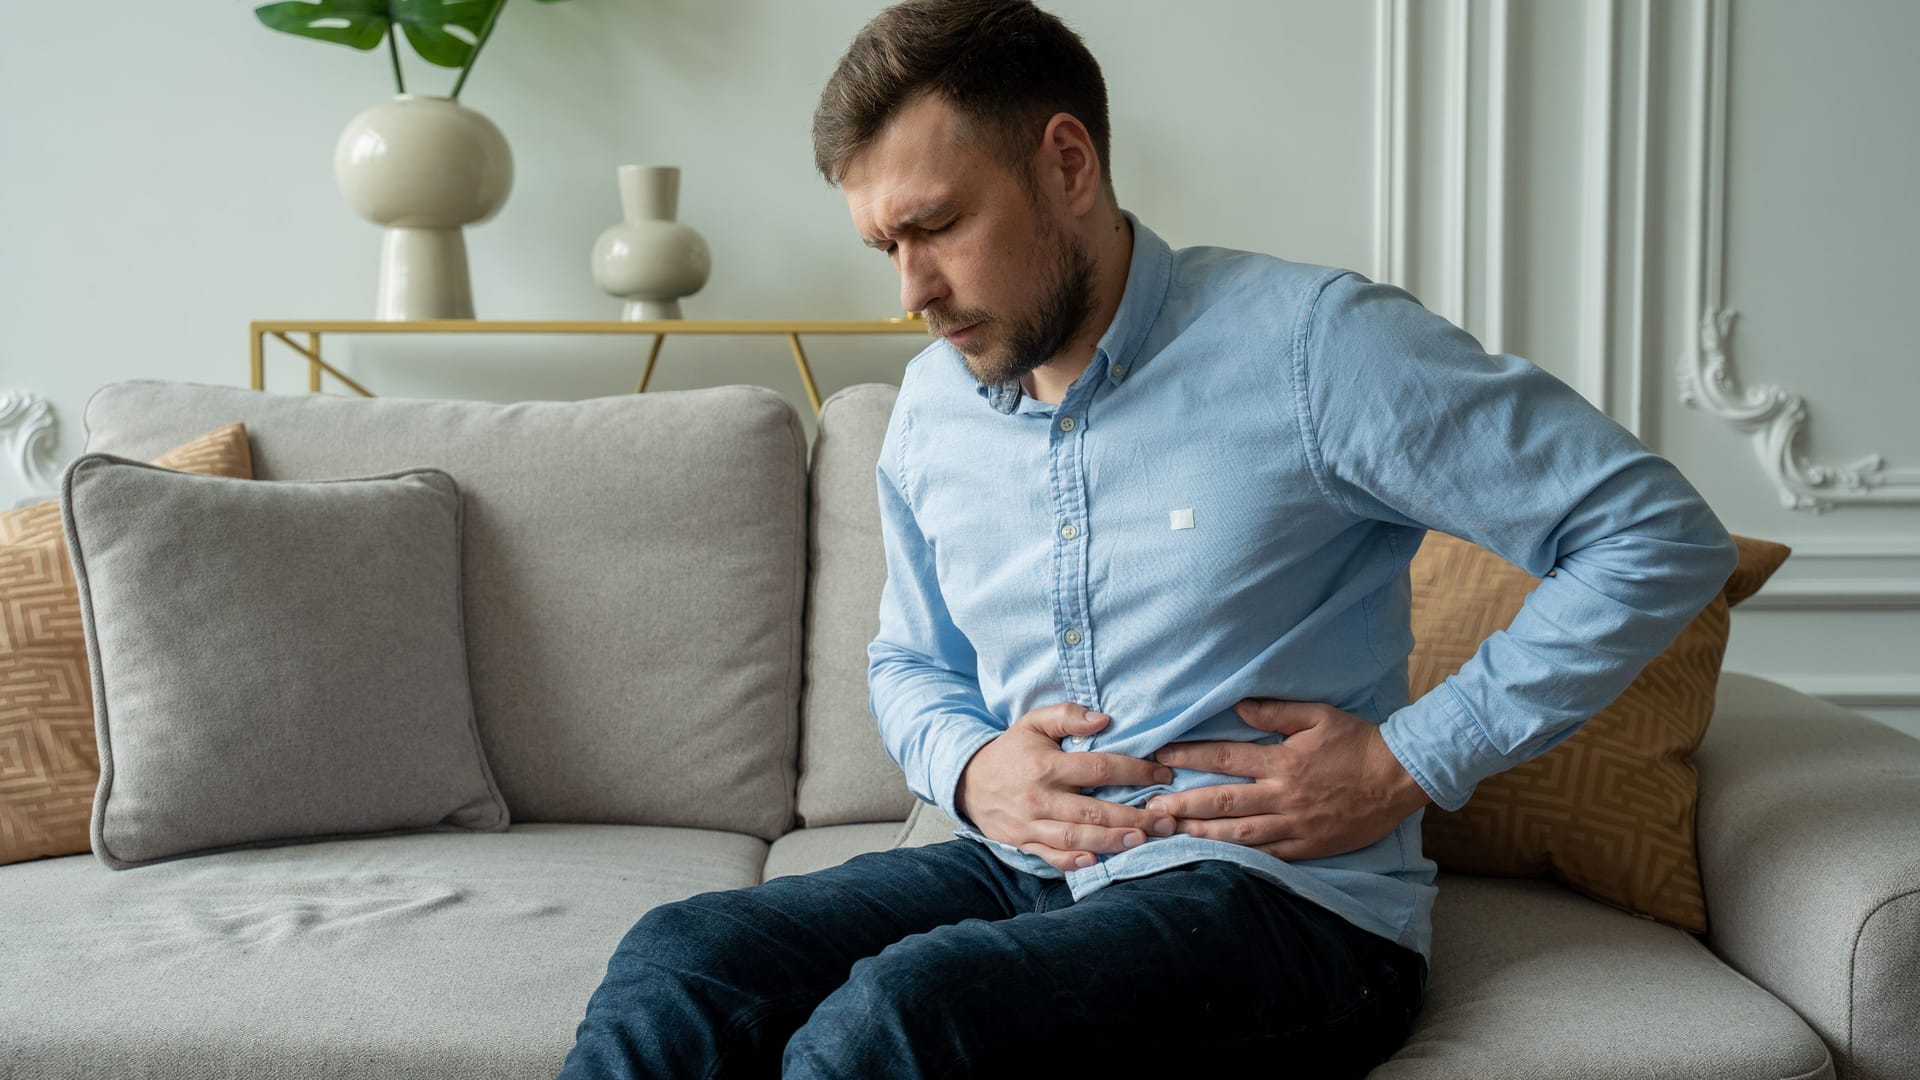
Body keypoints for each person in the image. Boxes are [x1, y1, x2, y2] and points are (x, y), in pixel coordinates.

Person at [558, 1, 1740, 1076]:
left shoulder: (1315, 347)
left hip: (1286, 911)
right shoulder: (930, 408)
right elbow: (909, 663)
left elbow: (1653, 535)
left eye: (939, 226)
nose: (911, 290)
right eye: (886, 247)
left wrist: (1409, 761)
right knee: (687, 955)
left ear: (1066, 162)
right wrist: (973, 770)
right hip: (1023, 872)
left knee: (910, 1016)